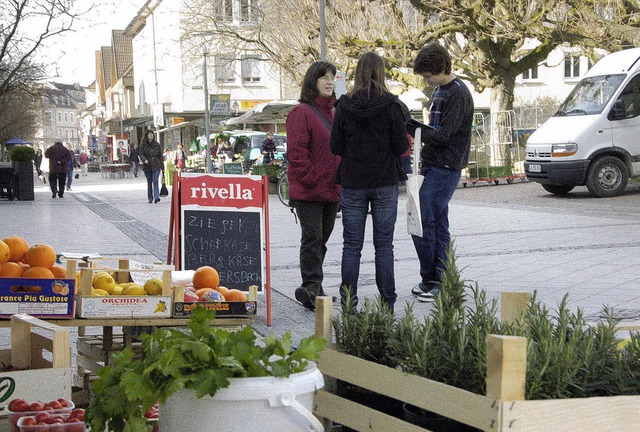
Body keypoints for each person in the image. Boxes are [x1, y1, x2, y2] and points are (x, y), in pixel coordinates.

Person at [330, 52, 410, 314]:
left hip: (353, 182)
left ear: (358, 73)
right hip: (385, 181)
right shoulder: (392, 106)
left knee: (351, 245)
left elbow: (335, 146)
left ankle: (348, 303)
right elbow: (401, 146)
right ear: (382, 72)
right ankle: (387, 303)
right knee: (384, 245)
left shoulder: (344, 106)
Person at [409, 42, 474, 302]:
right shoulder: (439, 90)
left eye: (428, 75)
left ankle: (434, 279)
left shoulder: (458, 93)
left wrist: (414, 129)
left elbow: (445, 134)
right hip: (435, 164)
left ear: (441, 68)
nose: (425, 80)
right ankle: (439, 278)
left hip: (446, 166)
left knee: (424, 221)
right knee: (437, 223)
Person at [285, 60, 341, 311]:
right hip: (309, 191)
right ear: (313, 82)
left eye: (332, 77)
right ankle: (310, 286)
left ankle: (316, 288)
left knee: (322, 240)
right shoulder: (302, 112)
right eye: (324, 78)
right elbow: (296, 152)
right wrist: (310, 178)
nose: (329, 82)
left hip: (331, 189)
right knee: (312, 238)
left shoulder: (333, 112)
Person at [140, 130, 163, 203]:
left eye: (152, 134)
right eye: (149, 134)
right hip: (147, 166)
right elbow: (141, 154)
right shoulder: (143, 145)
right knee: (149, 182)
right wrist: (144, 160)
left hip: (156, 165)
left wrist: (162, 166)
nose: (151, 135)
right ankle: (150, 198)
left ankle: (157, 197)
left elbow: (160, 156)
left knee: (155, 181)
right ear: (146, 136)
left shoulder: (157, 145)